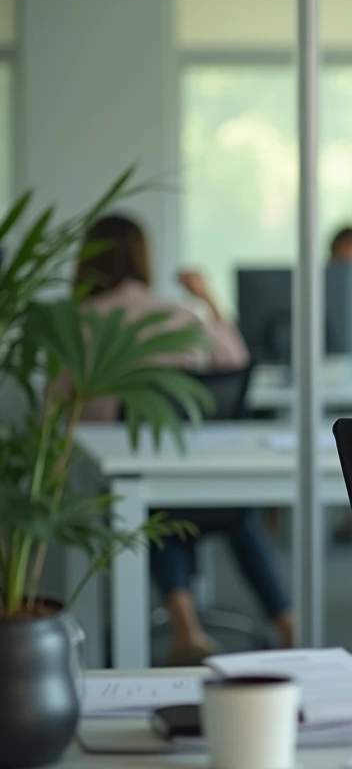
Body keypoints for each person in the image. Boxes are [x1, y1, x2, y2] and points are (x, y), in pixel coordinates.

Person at [74, 215, 295, 665]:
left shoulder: (79, 323)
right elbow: (236, 358)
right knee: (238, 518)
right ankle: (290, 623)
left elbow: (60, 409)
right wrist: (207, 298)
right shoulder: (173, 312)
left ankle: (186, 628)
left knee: (154, 513)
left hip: (126, 481)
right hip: (200, 476)